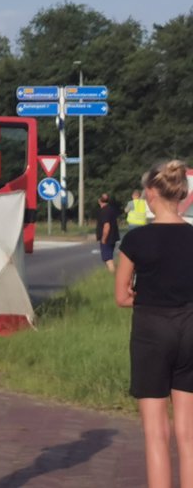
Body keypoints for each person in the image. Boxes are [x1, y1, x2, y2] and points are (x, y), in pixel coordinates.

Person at [115, 159, 193, 488]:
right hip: (190, 328)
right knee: (187, 433)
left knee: (155, 433)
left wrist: (141, 294)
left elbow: (121, 296)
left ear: (150, 193)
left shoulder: (136, 240)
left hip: (150, 332)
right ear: (183, 196)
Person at [97, 192, 121, 272]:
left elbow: (106, 226)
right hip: (113, 237)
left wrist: (104, 239)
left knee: (108, 259)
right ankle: (112, 273)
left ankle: (114, 275)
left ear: (99, 200)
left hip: (107, 238)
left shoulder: (104, 211)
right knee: (108, 257)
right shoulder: (111, 209)